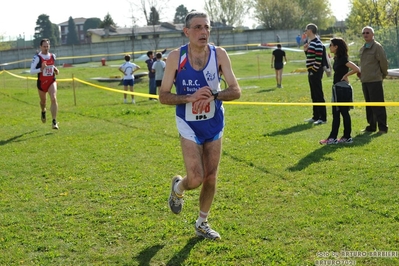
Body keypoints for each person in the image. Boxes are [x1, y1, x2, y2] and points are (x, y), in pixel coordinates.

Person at [159, 11, 241, 240]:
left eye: (206, 27)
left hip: (214, 123)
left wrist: (214, 94)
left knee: (211, 177)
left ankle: (202, 223)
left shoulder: (219, 54)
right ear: (186, 31)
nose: (203, 32)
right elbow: (163, 96)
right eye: (197, 27)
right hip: (188, 124)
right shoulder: (177, 57)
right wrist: (189, 98)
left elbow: (236, 90)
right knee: (195, 178)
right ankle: (179, 188)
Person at [319, 37, 360, 145]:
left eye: (331, 45)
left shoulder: (343, 58)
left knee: (343, 112)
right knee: (336, 113)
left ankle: (347, 137)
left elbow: (356, 69)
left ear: (336, 47)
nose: (330, 47)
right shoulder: (337, 58)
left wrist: (346, 75)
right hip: (337, 87)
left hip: (342, 89)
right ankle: (333, 138)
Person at [359, 26, 389, 134]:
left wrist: (383, 74)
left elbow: (383, 62)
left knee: (378, 105)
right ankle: (371, 126)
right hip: (365, 80)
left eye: (368, 32)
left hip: (375, 80)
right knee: (369, 105)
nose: (365, 34)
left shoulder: (377, 47)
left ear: (372, 34)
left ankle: (382, 128)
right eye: (364, 33)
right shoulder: (363, 48)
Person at [30, 38, 60, 129]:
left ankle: (54, 122)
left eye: (47, 46)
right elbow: (31, 71)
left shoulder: (53, 56)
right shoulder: (37, 58)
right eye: (44, 46)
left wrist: (55, 69)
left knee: (53, 98)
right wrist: (41, 69)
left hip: (51, 81)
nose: (46, 48)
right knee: (43, 102)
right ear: (40, 47)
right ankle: (43, 111)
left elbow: (51, 65)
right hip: (42, 83)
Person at [303, 23, 327, 125]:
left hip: (315, 72)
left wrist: (313, 70)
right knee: (314, 94)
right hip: (311, 71)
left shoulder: (317, 43)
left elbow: (318, 58)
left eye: (306, 30)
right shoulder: (310, 42)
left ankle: (323, 117)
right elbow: (310, 57)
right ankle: (315, 116)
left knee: (318, 94)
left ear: (310, 30)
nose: (305, 32)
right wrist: (306, 51)